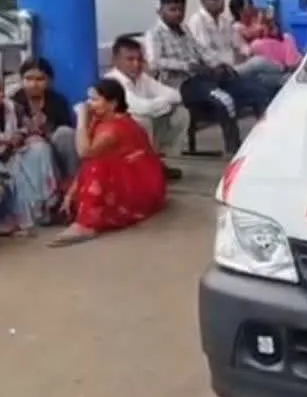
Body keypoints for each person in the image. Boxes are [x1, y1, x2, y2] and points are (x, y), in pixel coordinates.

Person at [145, 0, 267, 156]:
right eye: (172, 10)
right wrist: (187, 66)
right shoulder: (155, 34)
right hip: (180, 84)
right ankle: (233, 150)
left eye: (181, 10)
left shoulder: (184, 30)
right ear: (160, 10)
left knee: (255, 91)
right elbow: (154, 62)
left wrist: (218, 64)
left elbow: (201, 51)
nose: (178, 14)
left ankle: (267, 141)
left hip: (202, 78)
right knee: (224, 100)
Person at [50, 78, 167, 247]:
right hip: (127, 177)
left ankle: (87, 224)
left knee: (97, 164)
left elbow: (85, 152)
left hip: (140, 186)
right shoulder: (103, 121)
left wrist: (81, 119)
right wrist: (71, 193)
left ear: (112, 104)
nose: (89, 104)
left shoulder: (114, 128)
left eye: (95, 100)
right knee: (74, 183)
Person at [0, 69, 58, 233]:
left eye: (1, 90)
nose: (0, 95)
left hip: (12, 154)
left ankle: (44, 207)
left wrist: (21, 135)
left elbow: (27, 128)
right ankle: (5, 218)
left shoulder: (10, 107)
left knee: (40, 147)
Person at [105, 34, 187, 180]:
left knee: (181, 114)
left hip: (146, 122)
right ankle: (142, 166)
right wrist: (165, 105)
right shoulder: (112, 81)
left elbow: (176, 95)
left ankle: (157, 161)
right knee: (141, 119)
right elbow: (141, 107)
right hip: (116, 133)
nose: (136, 64)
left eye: (139, 59)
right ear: (116, 60)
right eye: (130, 59)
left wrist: (157, 105)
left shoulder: (142, 78)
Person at [187, 0, 280, 80]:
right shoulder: (197, 21)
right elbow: (205, 54)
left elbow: (240, 43)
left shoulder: (224, 22)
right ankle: (284, 73)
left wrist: (247, 53)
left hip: (234, 66)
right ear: (203, 0)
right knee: (258, 63)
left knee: (264, 76)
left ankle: (285, 77)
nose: (221, 2)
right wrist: (234, 59)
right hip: (218, 71)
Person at [10, 57, 78, 178]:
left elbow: (66, 130)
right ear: (21, 80)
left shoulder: (58, 101)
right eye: (28, 79)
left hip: (54, 148)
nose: (33, 84)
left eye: (39, 79)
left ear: (49, 81)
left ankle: (73, 180)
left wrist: (46, 128)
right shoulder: (13, 102)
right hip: (24, 152)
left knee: (65, 133)